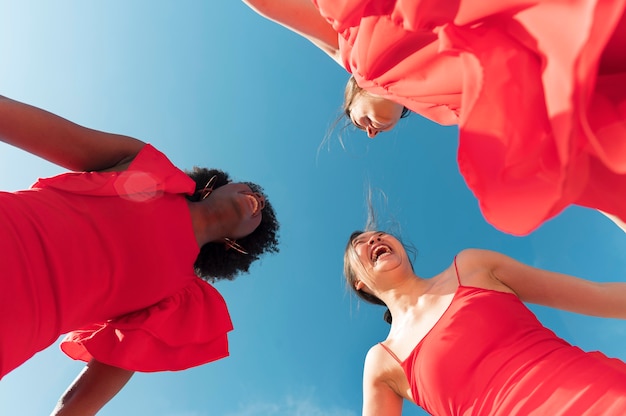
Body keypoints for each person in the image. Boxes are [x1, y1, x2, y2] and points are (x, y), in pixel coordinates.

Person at [242, 0, 626, 236]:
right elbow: (563, 154)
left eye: (356, 122)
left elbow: (270, 4)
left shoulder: (353, 47)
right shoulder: (448, 107)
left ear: (352, 94)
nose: (371, 134)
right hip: (556, 67)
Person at [0, 95, 280, 415]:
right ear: (215, 185)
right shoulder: (145, 166)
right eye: (251, 188)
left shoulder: (179, 304)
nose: (256, 197)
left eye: (260, 214)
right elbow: (28, 127)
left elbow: (80, 403)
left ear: (236, 244)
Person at [344, 229, 626, 415]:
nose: (374, 240)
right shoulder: (383, 361)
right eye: (361, 243)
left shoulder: (471, 266)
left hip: (606, 396)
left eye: (380, 234)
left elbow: (597, 294)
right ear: (359, 283)